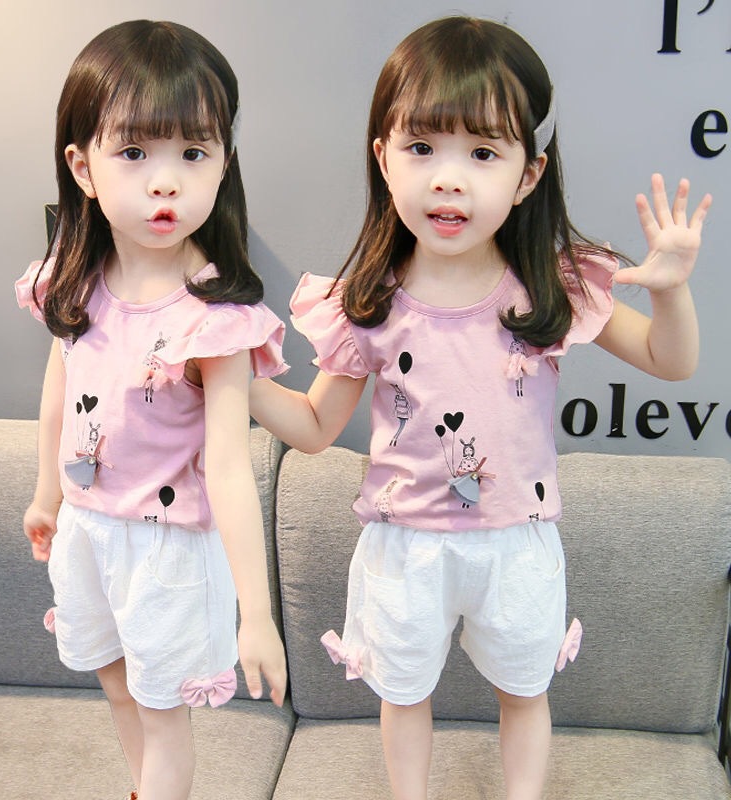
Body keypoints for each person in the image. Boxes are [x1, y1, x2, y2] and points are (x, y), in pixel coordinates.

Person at [249, 15, 711, 800]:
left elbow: (672, 362)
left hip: (516, 546)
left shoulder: (553, 287)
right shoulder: (366, 302)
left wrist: (671, 293)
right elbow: (317, 427)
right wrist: (236, 381)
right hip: (404, 548)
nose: (449, 178)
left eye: (483, 153)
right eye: (422, 148)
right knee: (403, 695)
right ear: (383, 159)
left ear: (528, 175)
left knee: (524, 692)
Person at [16, 20, 287, 800]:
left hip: (167, 552)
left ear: (223, 163)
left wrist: (257, 613)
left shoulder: (217, 318)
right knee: (117, 687)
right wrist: (46, 494)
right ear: (84, 167)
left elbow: (230, 470)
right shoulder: (72, 279)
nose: (165, 181)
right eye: (135, 153)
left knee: (164, 718)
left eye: (193, 154)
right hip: (86, 530)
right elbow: (57, 394)